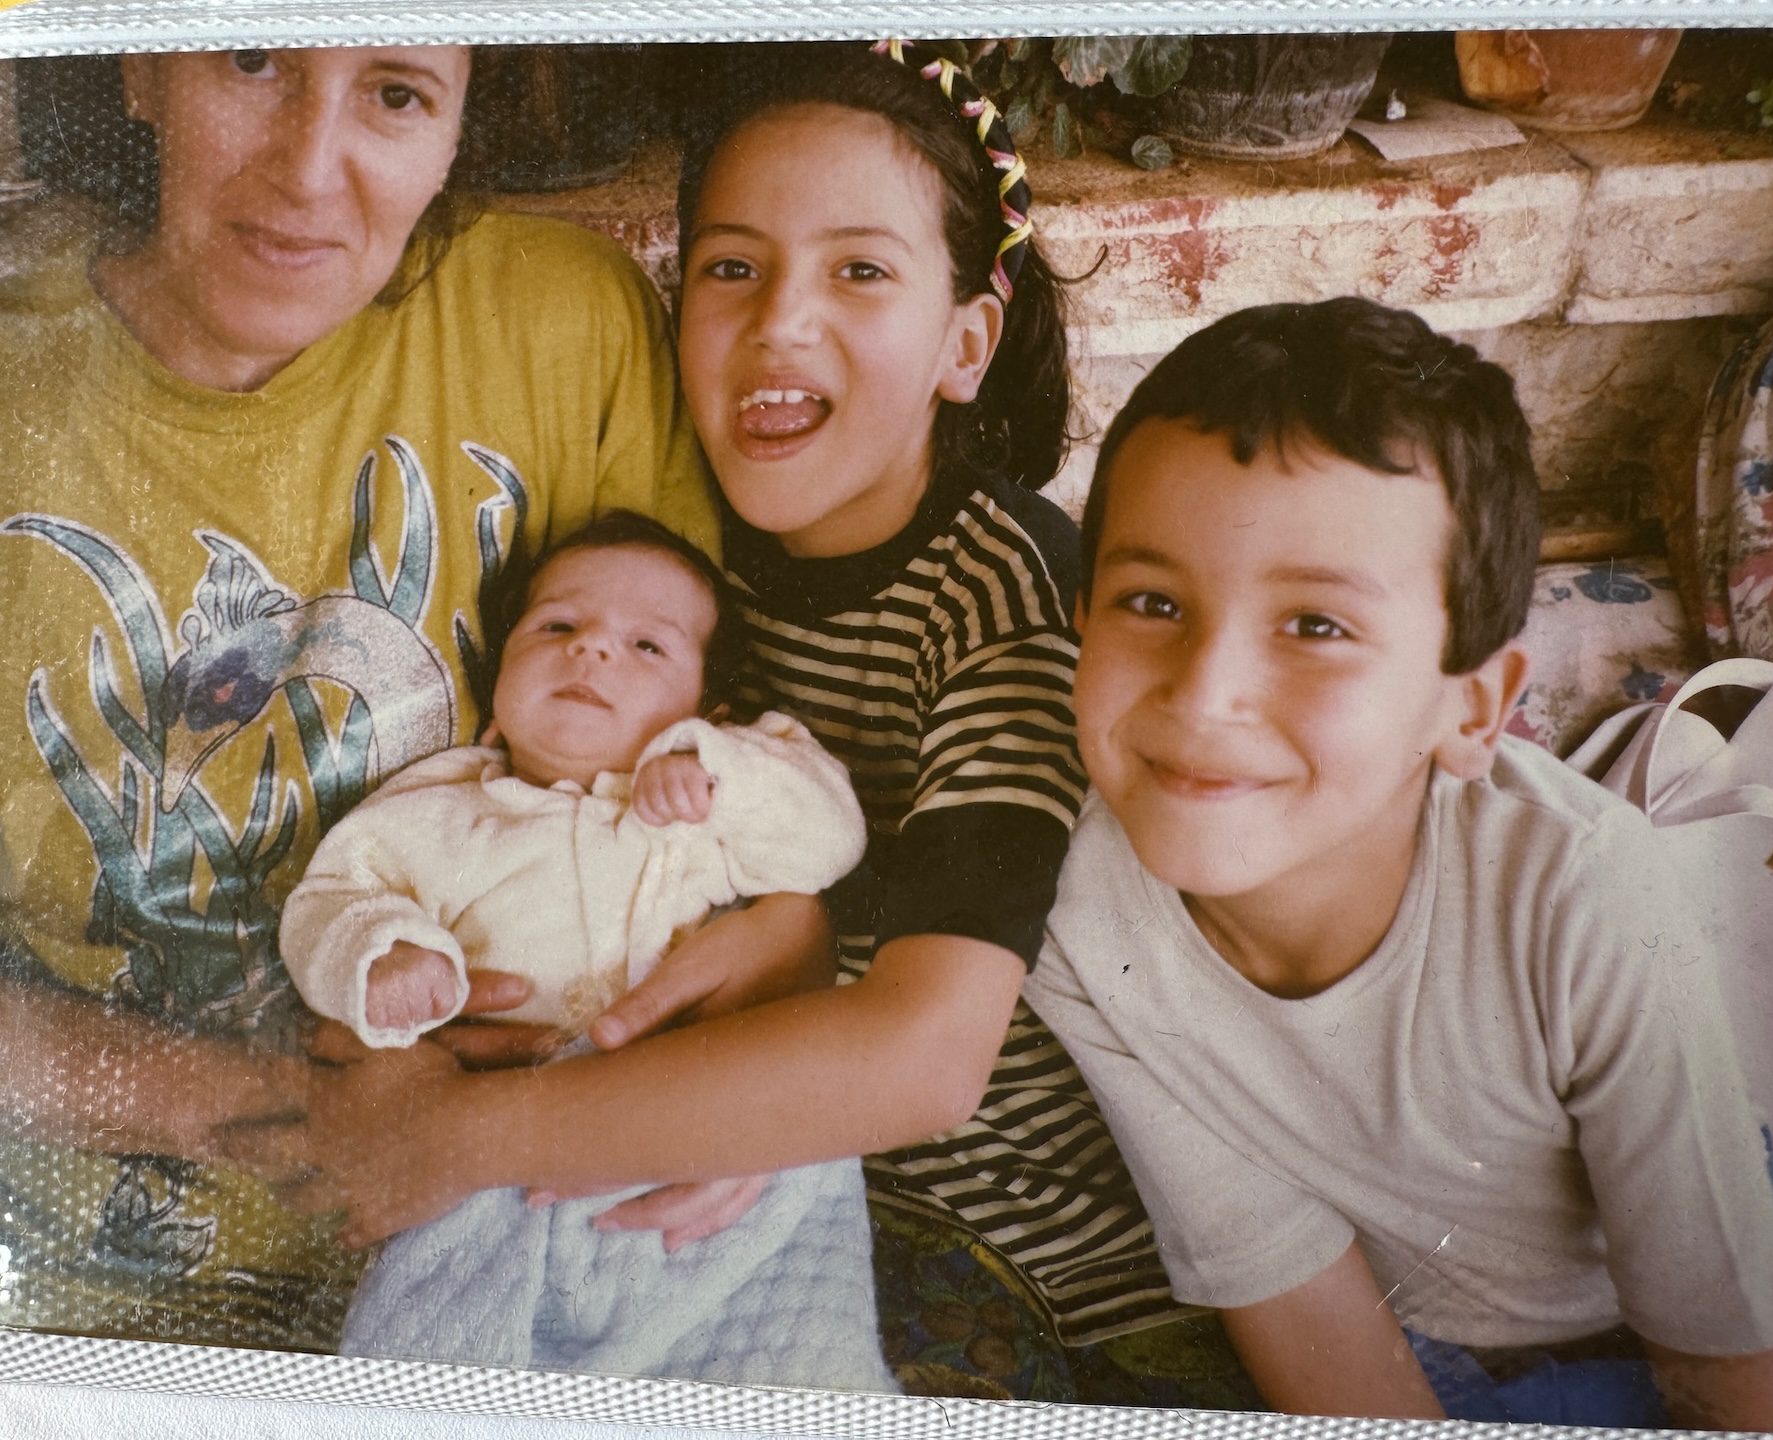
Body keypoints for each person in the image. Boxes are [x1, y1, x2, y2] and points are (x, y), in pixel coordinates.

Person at [266, 42, 1190, 1381]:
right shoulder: (671, 559)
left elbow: (925, 1062)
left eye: (860, 271)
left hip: (1005, 1257)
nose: (779, 326)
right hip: (685, 1188)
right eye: (732, 267)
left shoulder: (1001, 607)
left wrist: (461, 1141)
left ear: (966, 341)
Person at [0, 45, 829, 1353]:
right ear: (139, 61)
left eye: (395, 92)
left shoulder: (559, 324)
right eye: (252, 57)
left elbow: (728, 812)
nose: (309, 166)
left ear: (457, 122)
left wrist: (739, 1053)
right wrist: (288, 1112)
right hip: (83, 1301)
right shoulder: (20, 373)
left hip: (545, 1236)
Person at [1021, 298, 1773, 1430]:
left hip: (1729, 1304)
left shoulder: (1580, 888)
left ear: (1471, 711)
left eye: (1314, 625)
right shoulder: (1078, 911)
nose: (1203, 692)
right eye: (1151, 601)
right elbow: (1295, 1296)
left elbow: (1726, 1362)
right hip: (1433, 1345)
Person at [276, 513, 893, 1389]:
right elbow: (328, 903)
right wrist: (384, 955)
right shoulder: (438, 815)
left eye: (647, 646)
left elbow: (827, 839)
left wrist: (713, 770)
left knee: (781, 1356)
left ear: (703, 708)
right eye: (558, 628)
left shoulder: (698, 817)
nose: (593, 652)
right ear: (496, 690)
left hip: (698, 1158)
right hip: (497, 1172)